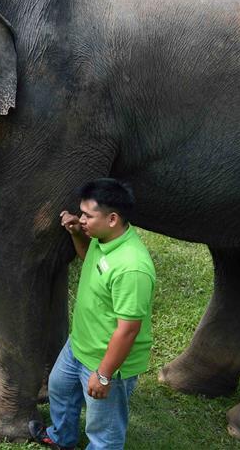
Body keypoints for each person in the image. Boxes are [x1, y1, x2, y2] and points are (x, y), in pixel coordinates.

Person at [30, 179, 156, 450]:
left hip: (107, 360)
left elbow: (128, 329)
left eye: (88, 215)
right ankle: (62, 438)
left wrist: (103, 375)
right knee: (60, 389)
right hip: (79, 345)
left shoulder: (132, 267)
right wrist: (77, 233)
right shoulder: (104, 239)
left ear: (112, 218)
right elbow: (91, 258)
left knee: (104, 429)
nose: (81, 219)